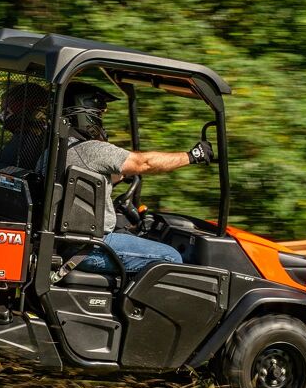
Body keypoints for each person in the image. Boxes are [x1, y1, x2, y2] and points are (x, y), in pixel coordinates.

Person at [61, 81, 213, 274]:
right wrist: (192, 156)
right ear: (86, 114)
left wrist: (119, 177)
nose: (101, 120)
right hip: (91, 248)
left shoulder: (59, 149)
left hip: (71, 244)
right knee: (171, 258)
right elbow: (143, 163)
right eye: (99, 114)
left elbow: (84, 179)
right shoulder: (91, 149)